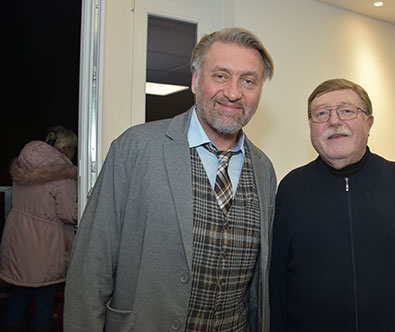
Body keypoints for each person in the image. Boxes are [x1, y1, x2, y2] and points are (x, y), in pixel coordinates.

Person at [63, 27, 276, 332]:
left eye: (248, 80)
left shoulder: (264, 170)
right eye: (220, 75)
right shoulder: (135, 148)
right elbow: (90, 267)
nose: (233, 92)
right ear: (194, 80)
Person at [269, 79, 395, 331]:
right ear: (311, 126)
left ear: (369, 122)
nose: (333, 121)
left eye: (347, 110)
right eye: (321, 114)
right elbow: (276, 288)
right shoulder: (290, 189)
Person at [0, 126, 78, 332]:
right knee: (45, 296)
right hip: (44, 243)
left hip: (18, 238)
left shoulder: (24, 166)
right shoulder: (63, 172)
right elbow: (69, 213)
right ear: (67, 148)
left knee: (21, 293)